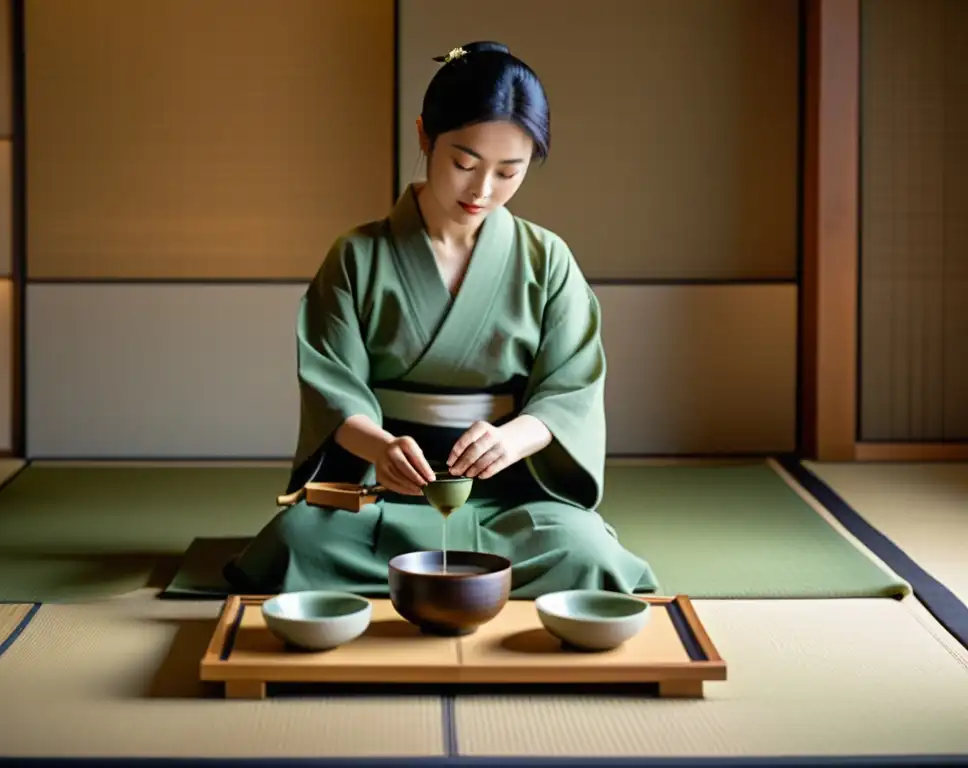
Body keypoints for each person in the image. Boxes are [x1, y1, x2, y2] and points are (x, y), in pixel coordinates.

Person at [223, 41, 658, 598]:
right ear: (425, 135)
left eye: (509, 172)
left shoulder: (546, 260)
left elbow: (570, 390)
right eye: (464, 162)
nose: (482, 190)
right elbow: (332, 387)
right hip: (385, 493)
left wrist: (514, 439)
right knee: (297, 542)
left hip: (508, 495)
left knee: (587, 551)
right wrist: (381, 449)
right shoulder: (358, 257)